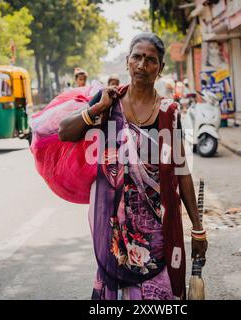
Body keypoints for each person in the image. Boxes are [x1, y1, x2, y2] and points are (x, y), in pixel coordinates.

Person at [58, 32, 208, 300]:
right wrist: (96, 109)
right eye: (137, 57)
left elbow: (182, 171)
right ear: (127, 61)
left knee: (158, 295)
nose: (142, 65)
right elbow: (64, 132)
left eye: (151, 60)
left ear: (160, 69)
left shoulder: (168, 112)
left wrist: (198, 229)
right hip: (114, 231)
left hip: (158, 229)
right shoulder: (108, 103)